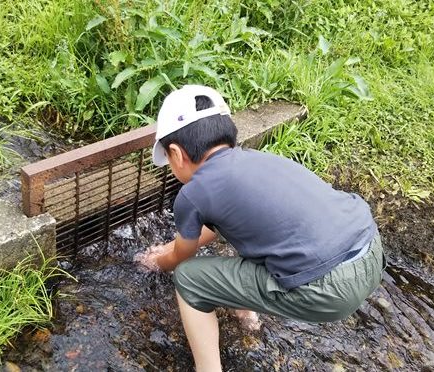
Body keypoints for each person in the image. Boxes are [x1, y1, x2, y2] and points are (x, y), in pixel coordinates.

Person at [136, 85, 386, 371]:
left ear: (176, 154)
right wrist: (175, 244)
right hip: (370, 250)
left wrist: (156, 261)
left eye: (167, 160)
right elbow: (216, 228)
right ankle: (247, 318)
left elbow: (183, 256)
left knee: (190, 279)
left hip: (330, 289)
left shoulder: (193, 193)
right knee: (257, 237)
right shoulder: (255, 161)